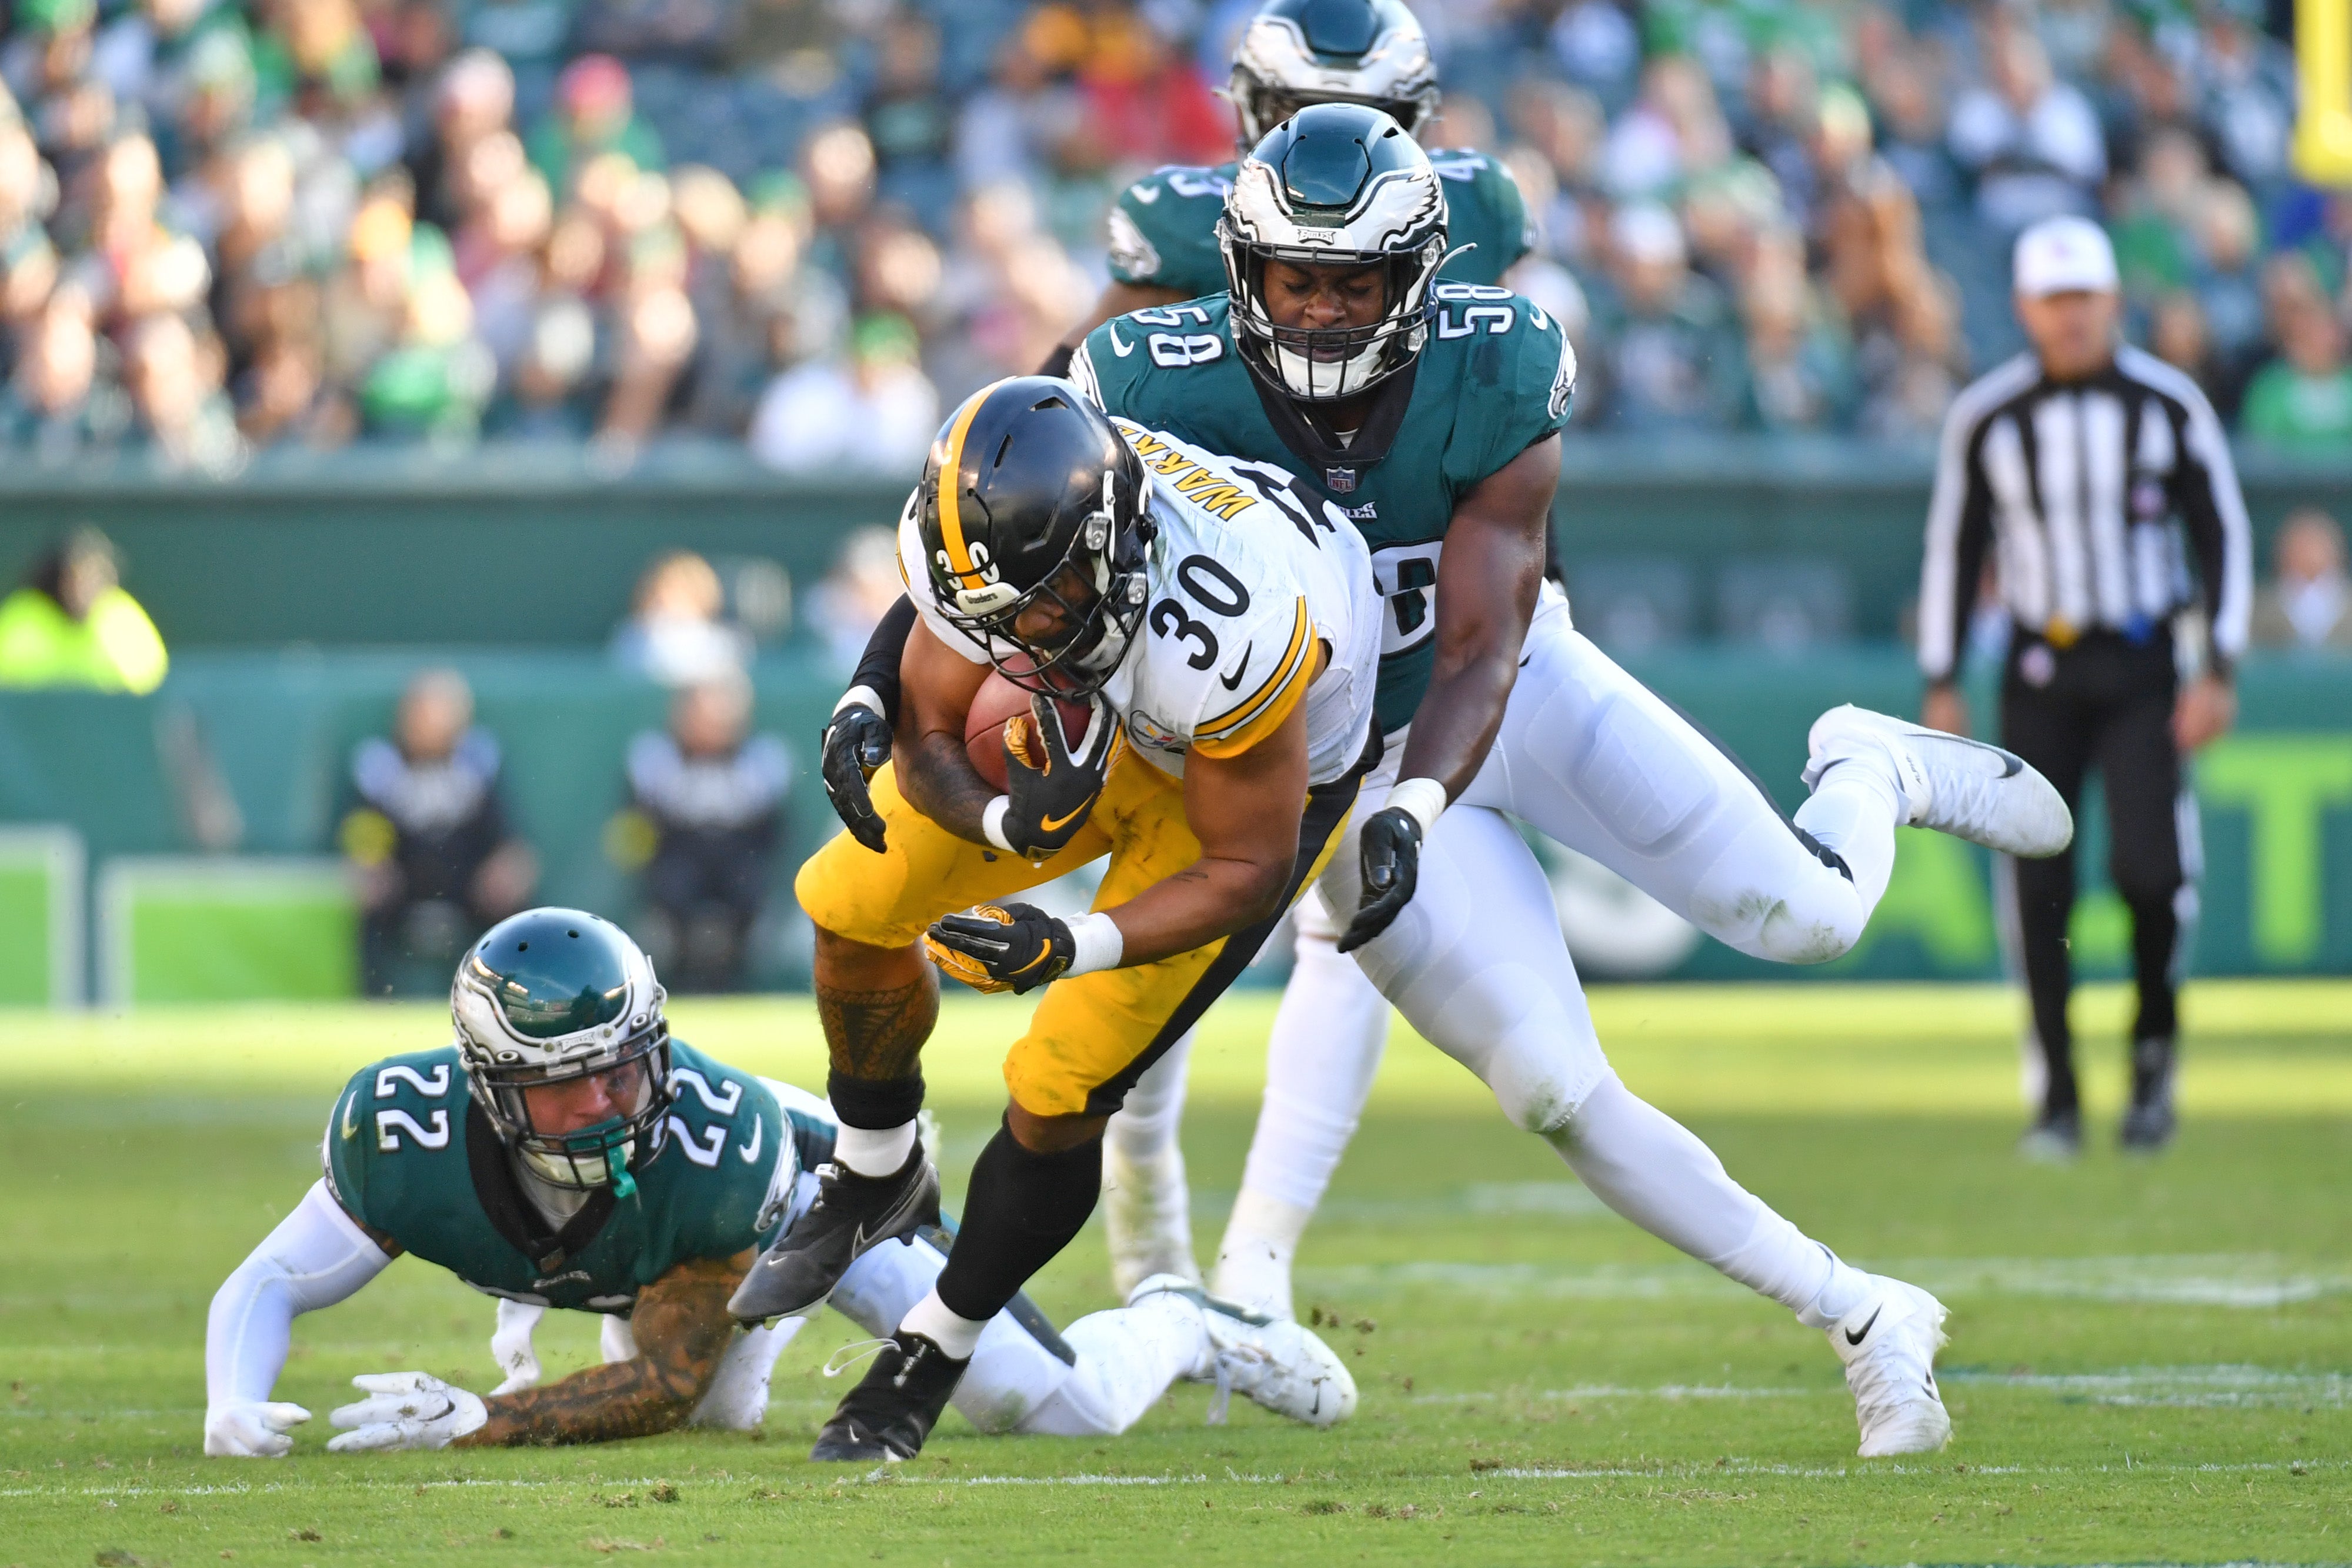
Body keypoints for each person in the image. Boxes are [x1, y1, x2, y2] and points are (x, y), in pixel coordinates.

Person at [820, 105, 2074, 1461]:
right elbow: (983, 515)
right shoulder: (1144, 371)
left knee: (1810, 917)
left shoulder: (1500, 362)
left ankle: (1866, 766)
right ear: (1240, 271)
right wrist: (872, 686)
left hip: (1513, 693)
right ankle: (1865, 1313)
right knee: (1551, 1088)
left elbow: (1482, 640)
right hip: (1346, 756)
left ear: (1417, 276)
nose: (1315, 310)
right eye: (1291, 279)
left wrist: (1421, 806)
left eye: (1350, 281)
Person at [728, 378, 1378, 1462]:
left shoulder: (1230, 624)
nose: (1013, 641)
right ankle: (876, 1169)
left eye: (1035, 606)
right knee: (844, 903)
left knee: (1065, 1079)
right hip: (1104, 719)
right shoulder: (990, 565)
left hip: (1237, 780)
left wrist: (1070, 941)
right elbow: (935, 716)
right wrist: (987, 806)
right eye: (988, 619)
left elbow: (1249, 867)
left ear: (1109, 550)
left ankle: (935, 1342)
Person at [202, 909, 1349, 1456]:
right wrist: (230, 1401)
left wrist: (477, 1420)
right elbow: (266, 1285)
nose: (616, 1100)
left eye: (629, 1065)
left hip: (814, 1200)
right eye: (576, 1082)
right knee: (725, 1419)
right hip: (678, 1251)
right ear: (495, 1087)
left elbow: (659, 1377)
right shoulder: (397, 1131)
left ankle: (1185, 1324)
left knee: (1050, 1406)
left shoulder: (707, 1144)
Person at [1917, 215, 2253, 1158]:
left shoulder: (2165, 404)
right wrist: (1940, 676)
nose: (2069, 318)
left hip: (2144, 663)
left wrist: (2217, 663)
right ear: (2024, 307)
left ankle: (2151, 1056)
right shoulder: (1987, 415)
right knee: (2038, 891)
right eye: (2052, 301)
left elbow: (2220, 533)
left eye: (2084, 299)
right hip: (2037, 670)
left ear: (2112, 301)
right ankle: (2055, 1091)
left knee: (2151, 871)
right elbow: (1954, 545)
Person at [1049, 0, 1529, 368]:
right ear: (1250, 107)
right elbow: (1080, 371)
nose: (1333, 148)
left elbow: (1500, 390)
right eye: (1297, 113)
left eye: (1374, 117)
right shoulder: (1188, 218)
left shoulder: (1478, 202)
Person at [342, 668, 537, 995]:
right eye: (421, 713)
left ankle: (516, 997)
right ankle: (371, 998)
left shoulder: (481, 762)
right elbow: (364, 833)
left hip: (467, 886)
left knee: (515, 903)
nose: (429, 724)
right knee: (367, 895)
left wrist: (507, 866)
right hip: (405, 886)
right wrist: (370, 866)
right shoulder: (379, 766)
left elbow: (507, 835)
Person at [622, 673, 789, 992]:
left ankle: (735, 977)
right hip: (677, 857)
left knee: (749, 888)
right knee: (673, 887)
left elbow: (774, 833)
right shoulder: (653, 758)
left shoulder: (763, 760)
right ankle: (681, 975)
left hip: (738, 858)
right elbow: (634, 827)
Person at [0, 525, 167, 693]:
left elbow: (151, 689)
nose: (84, 588)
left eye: (95, 577)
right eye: (75, 578)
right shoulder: (23, 617)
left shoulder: (124, 621)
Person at [2251, 508, 2352, 650]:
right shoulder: (2259, 609)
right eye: (2301, 544)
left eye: (2316, 544)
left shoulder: (2347, 603)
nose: (2308, 553)